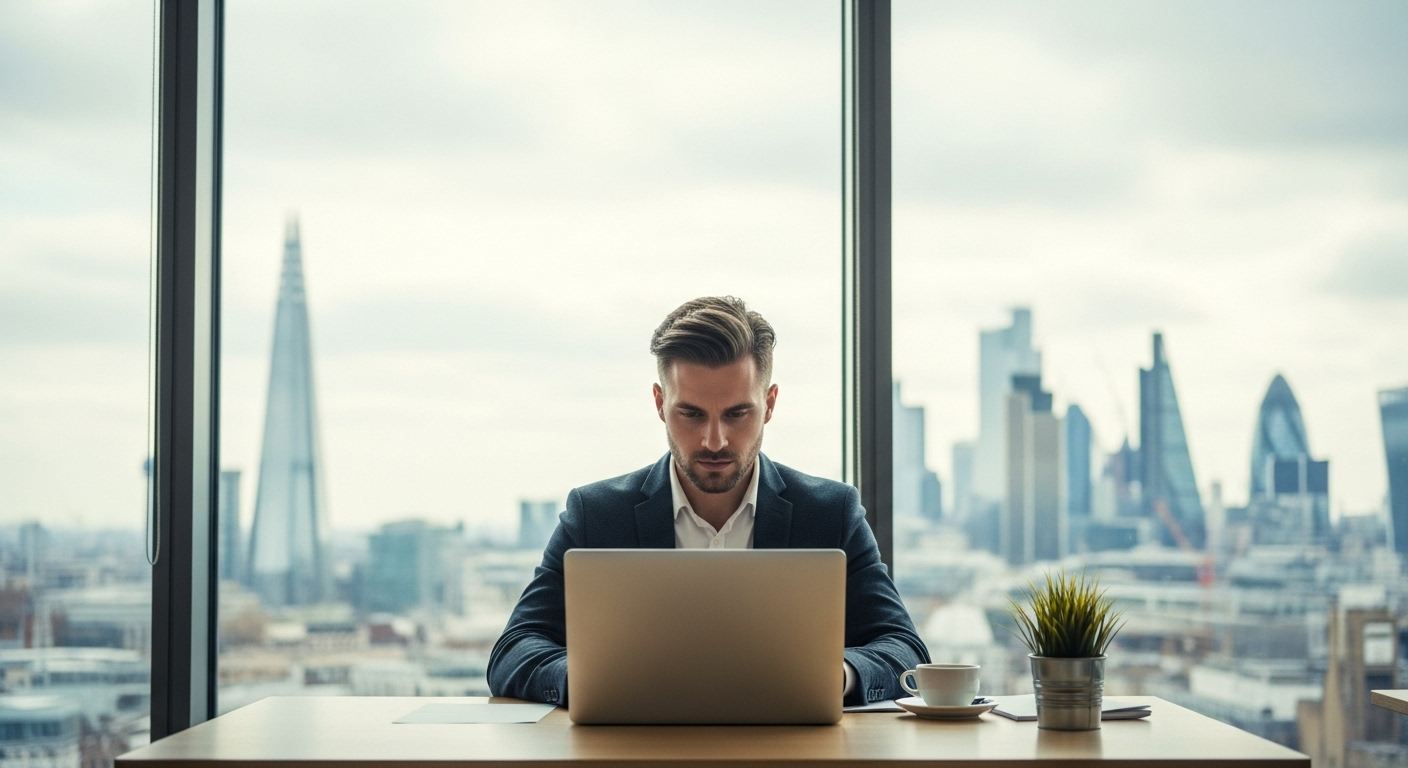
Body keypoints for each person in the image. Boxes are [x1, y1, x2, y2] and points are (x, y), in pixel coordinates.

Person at [487, 296, 929, 707]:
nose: (714, 440)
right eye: (691, 413)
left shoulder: (831, 512)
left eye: (737, 413)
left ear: (769, 404)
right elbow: (514, 649)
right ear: (660, 404)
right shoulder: (596, 514)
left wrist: (839, 675)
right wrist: (590, 678)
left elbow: (904, 648)